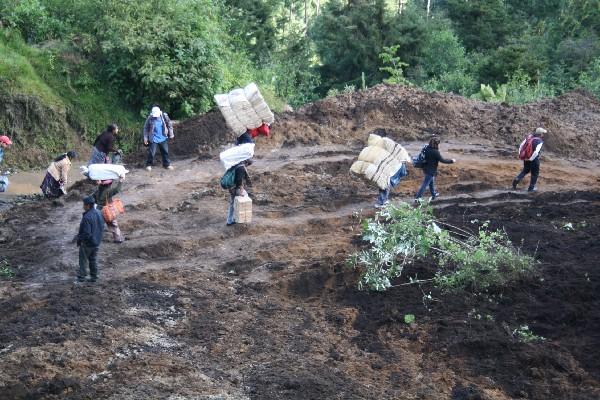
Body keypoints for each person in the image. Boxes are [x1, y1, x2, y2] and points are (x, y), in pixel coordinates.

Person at [76, 196, 105, 283]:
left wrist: (80, 240)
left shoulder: (87, 217)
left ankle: (81, 278)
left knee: (83, 260)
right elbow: (102, 226)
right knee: (93, 259)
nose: (83, 207)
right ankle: (94, 277)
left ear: (88, 205)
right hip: (97, 241)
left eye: (84, 205)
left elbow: (86, 233)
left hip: (88, 243)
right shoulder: (99, 213)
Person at [512, 128, 545, 192]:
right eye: (543, 133)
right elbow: (536, 152)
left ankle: (517, 179)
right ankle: (531, 189)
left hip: (526, 158)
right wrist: (531, 159)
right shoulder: (539, 141)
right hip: (533, 159)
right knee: (534, 174)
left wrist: (520, 155)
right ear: (540, 134)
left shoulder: (529, 137)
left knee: (525, 170)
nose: (543, 135)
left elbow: (521, 146)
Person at [92, 179, 124, 243]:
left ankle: (94, 238)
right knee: (113, 225)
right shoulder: (109, 191)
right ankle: (118, 239)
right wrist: (120, 181)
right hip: (108, 212)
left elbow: (93, 199)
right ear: (109, 184)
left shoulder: (97, 191)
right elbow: (117, 189)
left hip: (99, 211)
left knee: (98, 225)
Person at [143, 106, 174, 171]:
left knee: (165, 152)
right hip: (153, 138)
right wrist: (145, 138)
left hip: (163, 137)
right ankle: (148, 165)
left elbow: (169, 124)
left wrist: (171, 134)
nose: (156, 116)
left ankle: (167, 164)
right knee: (152, 153)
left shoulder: (164, 116)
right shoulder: (150, 118)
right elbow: (145, 128)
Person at [226, 160, 252, 226]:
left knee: (232, 203)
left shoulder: (236, 165)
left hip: (231, 188)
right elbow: (239, 180)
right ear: (246, 163)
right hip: (236, 188)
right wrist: (241, 190)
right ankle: (241, 218)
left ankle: (229, 220)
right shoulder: (241, 168)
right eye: (248, 164)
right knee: (245, 197)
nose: (248, 166)